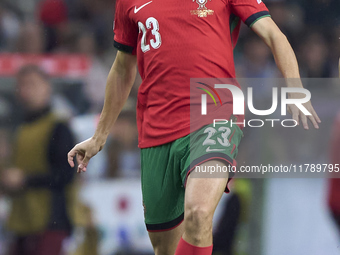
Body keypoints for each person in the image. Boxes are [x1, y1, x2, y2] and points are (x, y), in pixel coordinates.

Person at [68, 0, 321, 254]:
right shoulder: (128, 3)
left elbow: (273, 34)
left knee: (199, 214)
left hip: (214, 114)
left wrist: (295, 88)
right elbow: (123, 67)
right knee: (165, 248)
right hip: (157, 128)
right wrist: (99, 136)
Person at [1, 65, 75, 255]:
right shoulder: (16, 130)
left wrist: (25, 179)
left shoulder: (59, 127)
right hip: (20, 219)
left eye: (33, 84)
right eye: (23, 86)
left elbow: (66, 175)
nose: (27, 91)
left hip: (50, 220)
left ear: (47, 87)